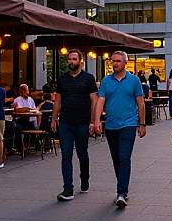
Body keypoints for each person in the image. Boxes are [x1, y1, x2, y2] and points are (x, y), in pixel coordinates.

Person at [94, 51, 146, 208]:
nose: (115, 63)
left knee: (124, 157)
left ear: (125, 63)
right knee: (116, 159)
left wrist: (142, 123)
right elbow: (100, 101)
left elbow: (141, 102)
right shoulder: (105, 81)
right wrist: (96, 120)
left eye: (118, 61)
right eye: (113, 61)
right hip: (111, 125)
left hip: (129, 124)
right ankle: (122, 187)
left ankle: (121, 192)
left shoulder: (134, 80)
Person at [52, 49, 98, 201]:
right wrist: (54, 119)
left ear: (81, 61)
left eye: (74, 59)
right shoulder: (62, 79)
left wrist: (93, 121)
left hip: (82, 123)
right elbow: (57, 101)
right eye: (69, 59)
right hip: (65, 122)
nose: (71, 62)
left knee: (82, 153)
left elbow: (94, 101)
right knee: (66, 155)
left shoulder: (88, 79)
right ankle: (68, 189)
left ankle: (84, 178)